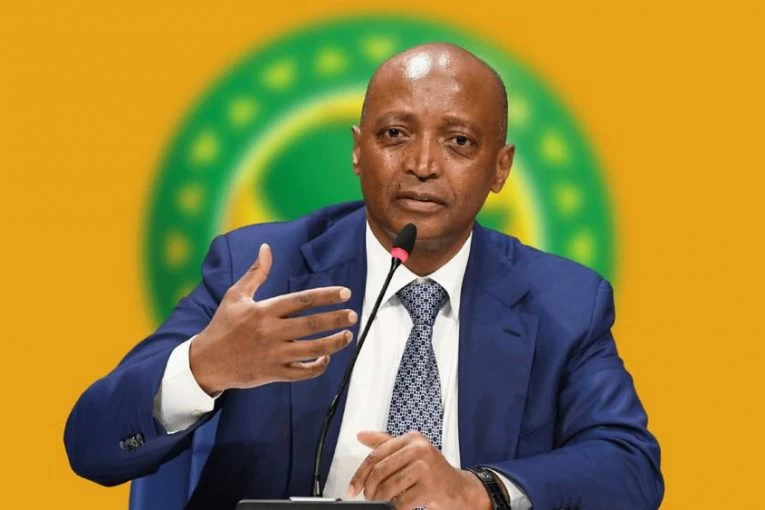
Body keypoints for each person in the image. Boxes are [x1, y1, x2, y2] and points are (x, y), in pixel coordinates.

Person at [64, 43, 663, 510]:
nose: (422, 165)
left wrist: (480, 490)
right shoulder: (262, 269)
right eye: (394, 135)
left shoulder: (564, 302)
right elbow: (90, 443)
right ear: (357, 151)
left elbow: (629, 468)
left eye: (458, 141)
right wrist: (204, 367)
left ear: (500, 167)